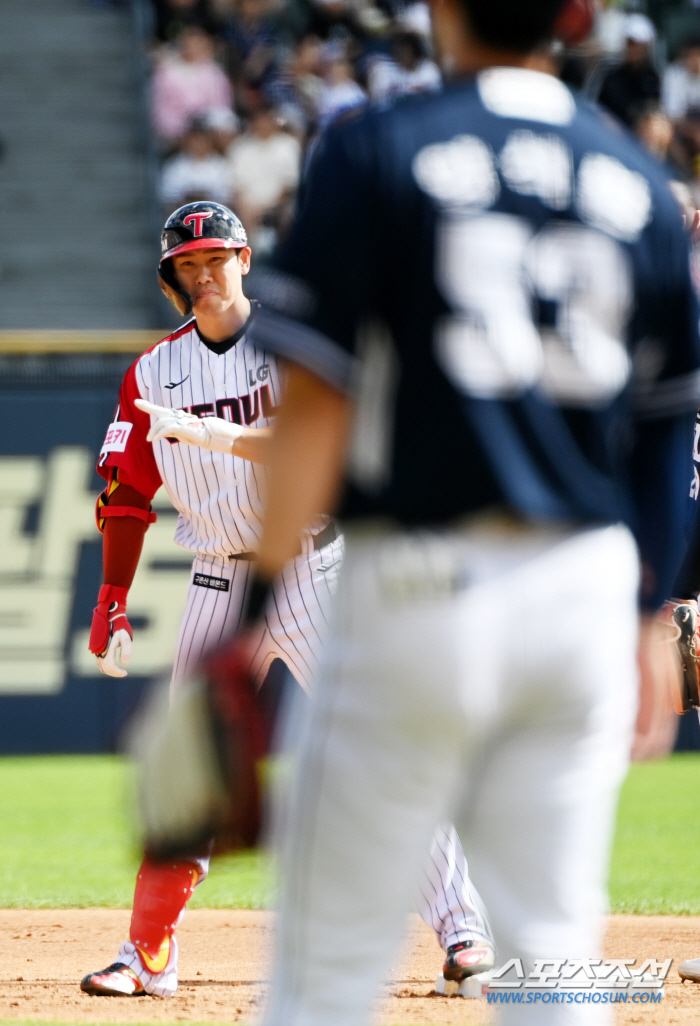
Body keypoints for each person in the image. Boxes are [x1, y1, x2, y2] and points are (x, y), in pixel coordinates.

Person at [212, 0, 698, 1023]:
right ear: (574, 17)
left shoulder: (379, 148)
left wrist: (253, 612)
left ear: (440, 10)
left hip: (416, 586)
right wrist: (647, 615)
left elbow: (314, 404)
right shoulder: (632, 182)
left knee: (325, 974)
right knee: (555, 958)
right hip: (581, 594)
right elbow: (662, 431)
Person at [78, 201, 494, 998]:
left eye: (215, 260)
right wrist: (111, 599)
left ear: (244, 259)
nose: (202, 276)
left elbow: (323, 444)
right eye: (186, 267)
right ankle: (147, 956)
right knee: (190, 768)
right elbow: (126, 495)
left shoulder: (294, 346)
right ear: (171, 280)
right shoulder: (153, 372)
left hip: (314, 569)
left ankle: (464, 932)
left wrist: (216, 437)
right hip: (214, 579)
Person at [151, 27, 233, 146]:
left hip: (209, 127)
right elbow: (161, 109)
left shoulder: (214, 72)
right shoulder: (167, 72)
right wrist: (184, 128)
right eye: (189, 44)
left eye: (198, 44)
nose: (194, 48)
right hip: (179, 129)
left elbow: (222, 105)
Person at [597, 13, 660, 129]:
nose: (634, 49)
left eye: (638, 44)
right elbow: (600, 112)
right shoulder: (611, 77)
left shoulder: (653, 78)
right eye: (631, 43)